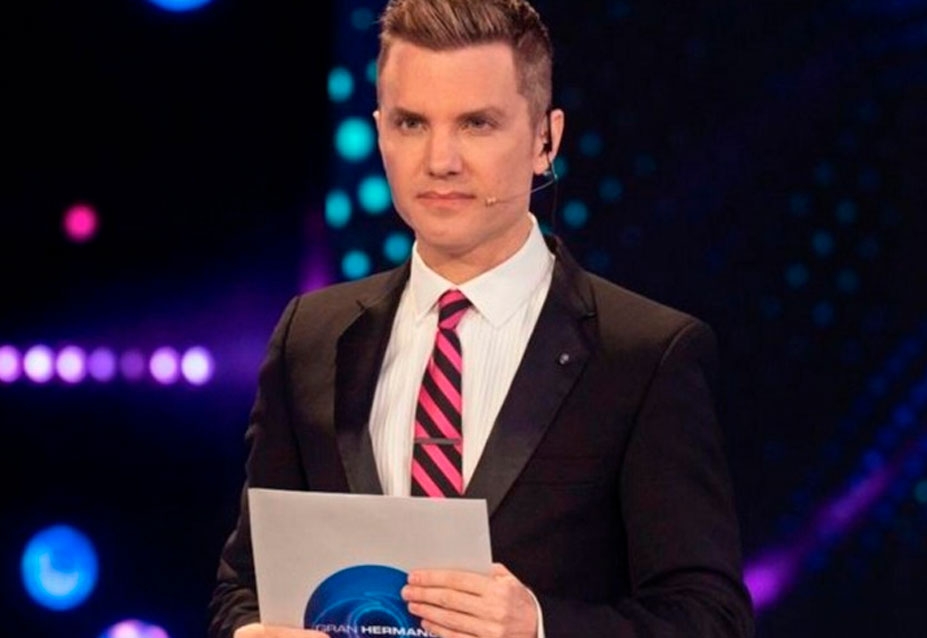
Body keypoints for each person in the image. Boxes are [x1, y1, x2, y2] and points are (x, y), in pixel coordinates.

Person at [209, 1, 754, 637]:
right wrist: (248, 632)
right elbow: (243, 585)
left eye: (476, 124)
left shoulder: (646, 355)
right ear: (380, 131)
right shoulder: (312, 337)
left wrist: (538, 627)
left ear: (546, 140)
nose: (440, 160)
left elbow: (709, 618)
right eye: (412, 123)